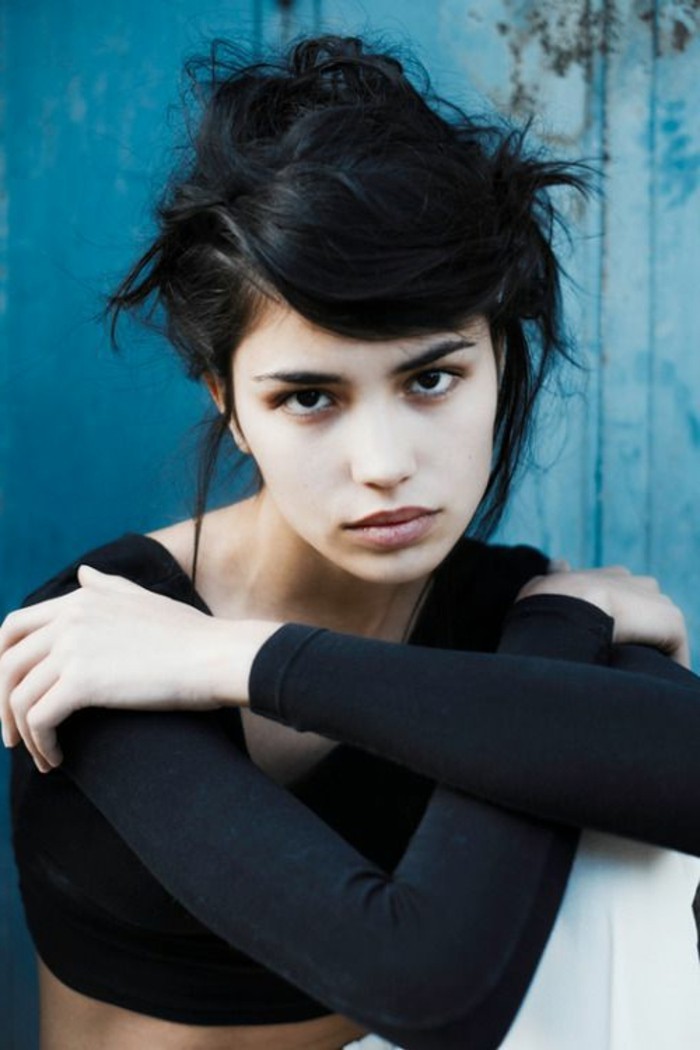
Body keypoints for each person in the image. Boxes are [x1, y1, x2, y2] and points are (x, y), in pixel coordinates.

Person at [1, 33, 700, 1050]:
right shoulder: (103, 630)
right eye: (308, 397)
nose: (383, 463)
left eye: (430, 379)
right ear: (230, 405)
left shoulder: (518, 618)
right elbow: (420, 984)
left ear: (499, 361)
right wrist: (560, 646)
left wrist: (231, 663)